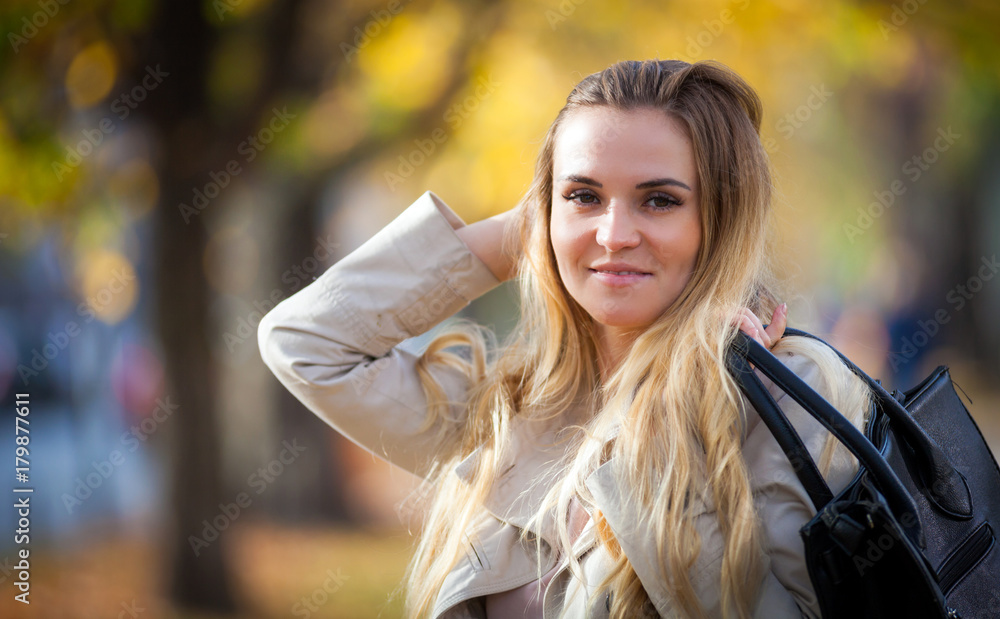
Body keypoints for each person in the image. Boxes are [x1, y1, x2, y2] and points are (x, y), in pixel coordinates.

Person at [257, 59, 872, 618]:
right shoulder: (509, 405)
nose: (612, 234)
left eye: (658, 200)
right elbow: (305, 343)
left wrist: (670, 426)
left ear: (722, 219)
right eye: (584, 195)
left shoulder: (787, 390)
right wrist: (528, 232)